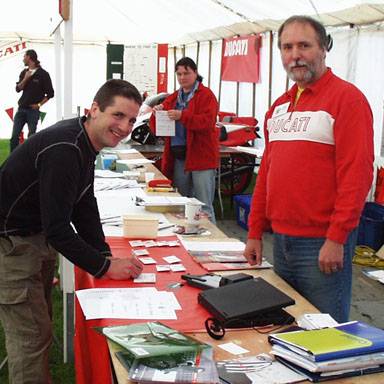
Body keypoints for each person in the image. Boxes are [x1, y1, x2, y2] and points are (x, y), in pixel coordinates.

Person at [0, 79, 144, 383]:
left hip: (30, 236)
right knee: (30, 338)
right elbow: (58, 229)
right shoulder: (66, 147)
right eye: (118, 115)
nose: (125, 126)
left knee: (38, 329)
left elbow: (83, 201)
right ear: (94, 109)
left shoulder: (84, 140)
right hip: (11, 245)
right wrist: (104, 266)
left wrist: (103, 252)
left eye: (131, 119)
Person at [244, 15, 374, 323]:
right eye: (287, 47)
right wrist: (254, 232)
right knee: (286, 328)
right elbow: (267, 175)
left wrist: (337, 238)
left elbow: (356, 175)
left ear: (324, 48)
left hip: (321, 245)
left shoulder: (347, 100)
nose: (295, 55)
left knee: (326, 336)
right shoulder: (278, 107)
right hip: (282, 241)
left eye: (304, 45)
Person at [150, 57, 219, 223]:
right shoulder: (173, 98)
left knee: (203, 205)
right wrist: (156, 113)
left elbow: (207, 122)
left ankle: (211, 243)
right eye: (179, 74)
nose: (182, 77)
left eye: (186, 73)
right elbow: (156, 129)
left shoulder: (206, 95)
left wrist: (183, 116)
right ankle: (187, 238)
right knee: (181, 203)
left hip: (201, 157)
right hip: (179, 157)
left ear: (195, 73)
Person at [10, 49, 55, 152]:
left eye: (24, 57)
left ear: (29, 57)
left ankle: (29, 161)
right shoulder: (23, 72)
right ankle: (12, 161)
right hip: (21, 109)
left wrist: (39, 105)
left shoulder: (43, 74)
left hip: (33, 111)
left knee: (31, 137)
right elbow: (18, 89)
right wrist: (25, 78)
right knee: (14, 137)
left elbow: (50, 94)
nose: (23, 59)